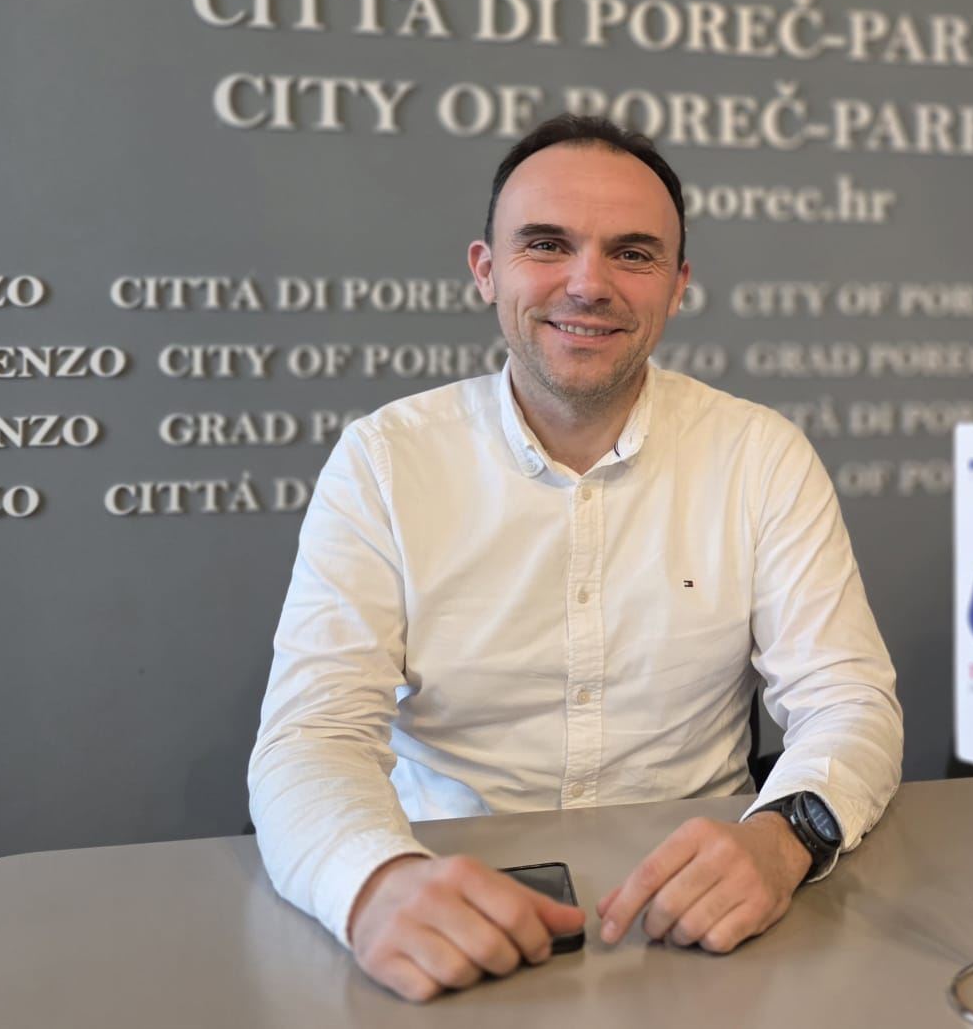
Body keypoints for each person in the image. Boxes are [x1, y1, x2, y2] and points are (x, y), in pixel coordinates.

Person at [249, 115, 903, 1000]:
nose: (589, 284)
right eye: (547, 244)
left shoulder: (760, 455)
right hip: (441, 898)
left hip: (700, 913)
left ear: (678, 286)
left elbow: (847, 701)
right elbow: (312, 735)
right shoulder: (385, 460)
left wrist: (783, 838)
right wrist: (372, 886)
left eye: (632, 254)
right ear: (486, 270)